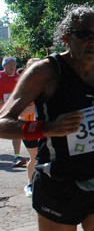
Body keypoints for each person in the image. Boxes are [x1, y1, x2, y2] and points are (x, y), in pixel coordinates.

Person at [0, 4, 94, 231]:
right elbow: (3, 122)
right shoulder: (46, 72)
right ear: (67, 37)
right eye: (85, 34)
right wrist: (48, 127)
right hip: (59, 184)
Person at [20, 58, 42, 197]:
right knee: (35, 157)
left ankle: (42, 184)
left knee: (44, 157)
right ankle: (30, 184)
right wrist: (38, 106)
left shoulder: (47, 85)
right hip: (28, 127)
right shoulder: (24, 88)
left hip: (45, 127)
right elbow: (20, 112)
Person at [0, 56, 27, 168]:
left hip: (11, 109)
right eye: (9, 64)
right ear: (4, 65)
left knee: (16, 129)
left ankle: (17, 156)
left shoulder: (18, 77)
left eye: (13, 64)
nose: (12, 66)